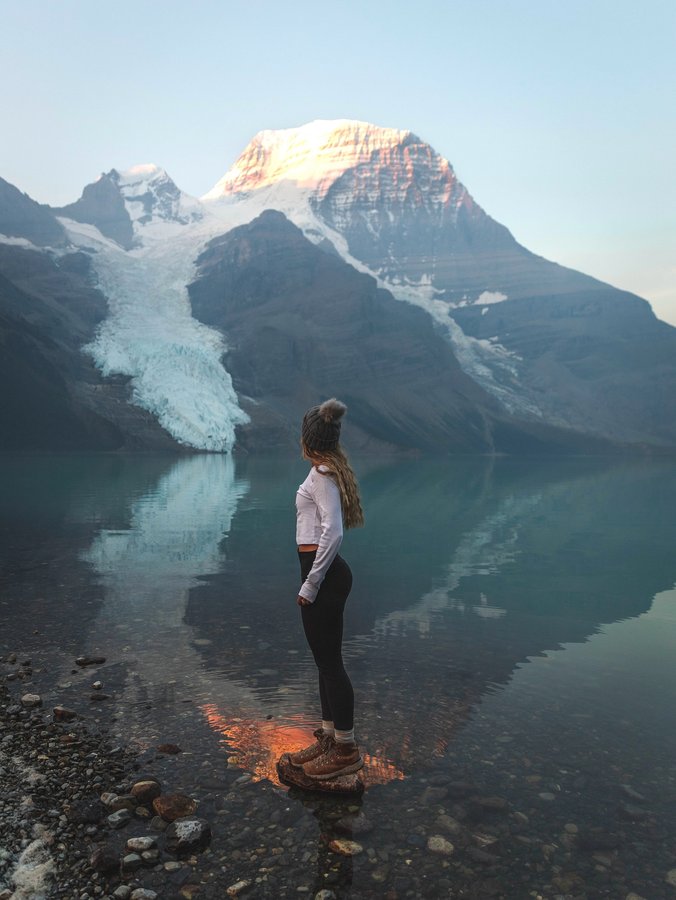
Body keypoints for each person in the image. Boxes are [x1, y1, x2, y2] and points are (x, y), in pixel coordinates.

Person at [289, 398, 365, 780]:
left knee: (331, 665)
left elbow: (332, 532)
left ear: (308, 439)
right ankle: (330, 738)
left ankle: (346, 750)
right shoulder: (324, 469)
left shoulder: (321, 473)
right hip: (326, 573)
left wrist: (312, 582)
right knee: (326, 662)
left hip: (324, 576)